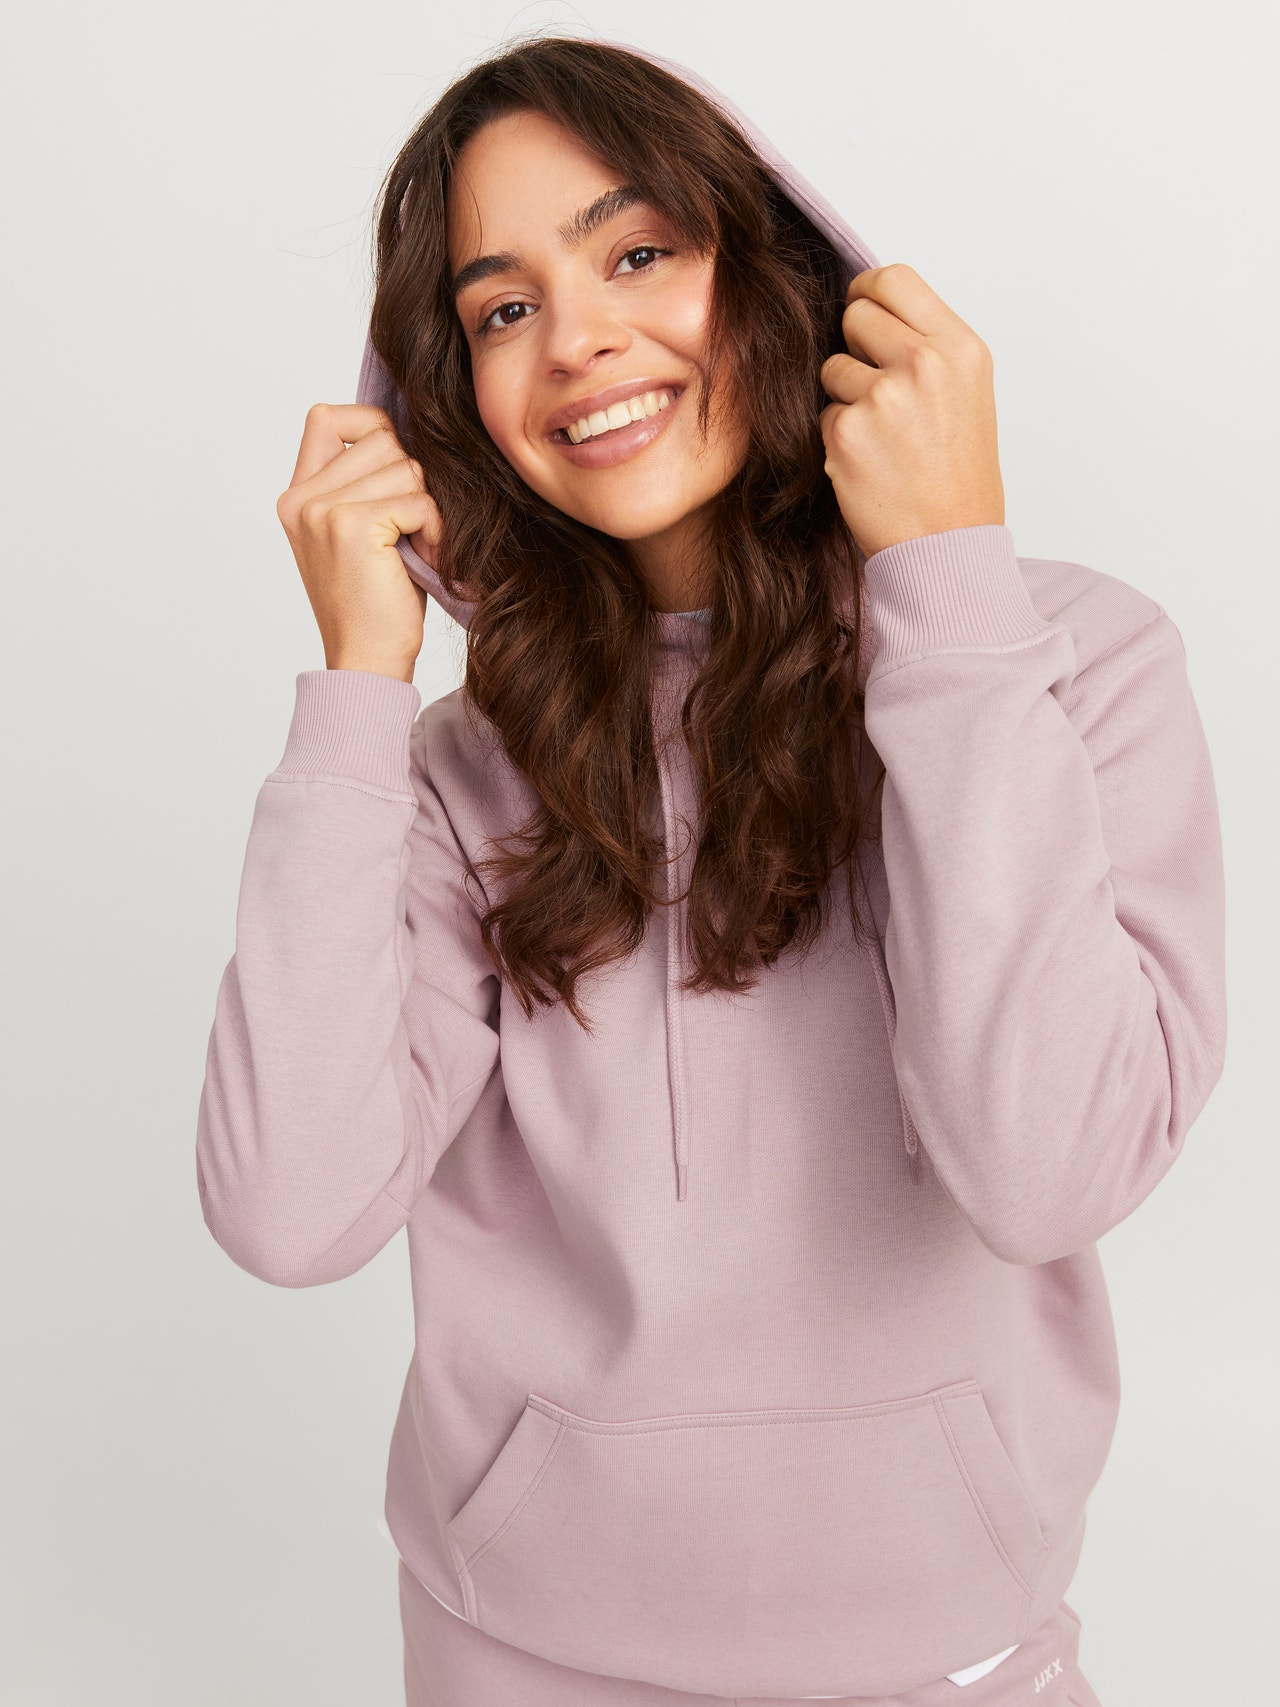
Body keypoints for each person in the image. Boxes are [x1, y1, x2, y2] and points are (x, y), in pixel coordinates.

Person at [194, 31, 1227, 1707]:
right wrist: (357, 689)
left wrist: (948, 587)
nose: (577, 338)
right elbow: (288, 1215)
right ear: (458, 397)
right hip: (516, 1661)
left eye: (637, 253)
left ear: (776, 272)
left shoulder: (1068, 665)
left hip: (955, 1663)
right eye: (502, 308)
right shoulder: (457, 776)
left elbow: (1050, 1169)